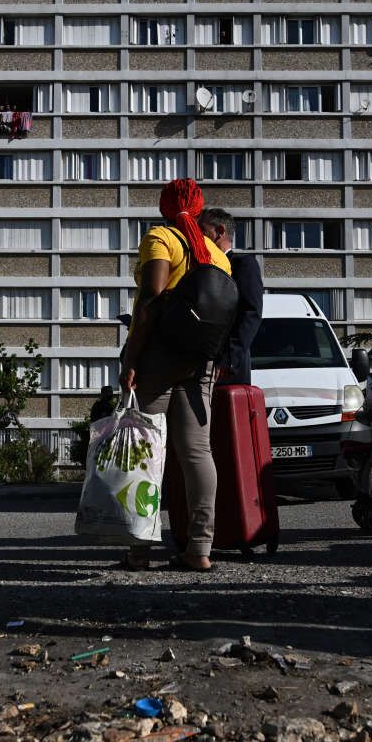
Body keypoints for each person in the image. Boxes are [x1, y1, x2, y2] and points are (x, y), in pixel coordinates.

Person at [117, 178, 232, 572]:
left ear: (165, 206)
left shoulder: (160, 238)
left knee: (145, 454)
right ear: (199, 209)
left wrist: (131, 358)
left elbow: (151, 297)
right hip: (200, 364)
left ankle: (139, 550)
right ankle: (200, 549)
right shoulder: (217, 255)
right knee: (197, 453)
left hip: (158, 359)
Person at [199, 207, 264, 385]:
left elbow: (250, 313)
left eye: (202, 231)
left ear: (220, 231)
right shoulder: (199, 267)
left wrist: (229, 359)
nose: (197, 238)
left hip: (226, 369)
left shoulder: (243, 265)